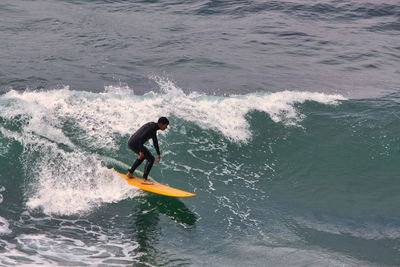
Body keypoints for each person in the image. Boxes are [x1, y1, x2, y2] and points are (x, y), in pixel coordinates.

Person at [127, 117, 169, 184]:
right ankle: (144, 180)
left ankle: (130, 173)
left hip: (133, 142)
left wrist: (158, 153)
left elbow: (155, 141)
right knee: (151, 159)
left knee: (144, 157)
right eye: (165, 126)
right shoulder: (152, 128)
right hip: (135, 143)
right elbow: (141, 138)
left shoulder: (153, 127)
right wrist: (140, 151)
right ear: (161, 124)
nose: (166, 127)